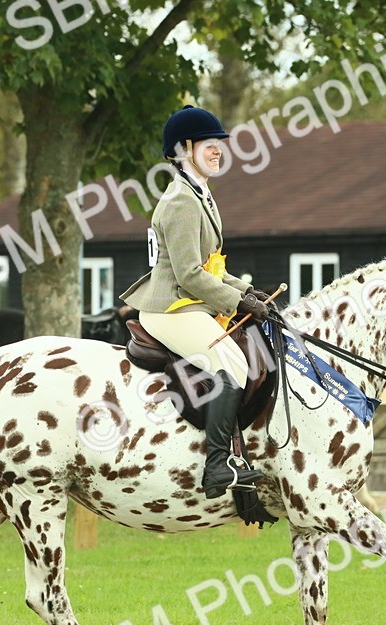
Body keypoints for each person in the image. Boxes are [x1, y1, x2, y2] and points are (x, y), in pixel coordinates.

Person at [121, 105, 271, 499]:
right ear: (184, 149)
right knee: (232, 363)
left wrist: (247, 292)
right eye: (209, 144)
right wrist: (237, 303)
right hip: (171, 307)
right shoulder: (181, 202)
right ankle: (217, 465)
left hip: (191, 302)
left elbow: (212, 268)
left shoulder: (200, 195)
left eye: (219, 143)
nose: (218, 149)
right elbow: (189, 274)